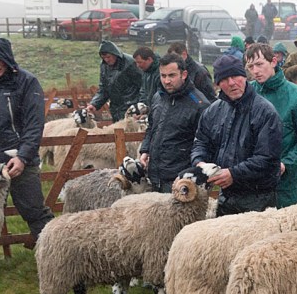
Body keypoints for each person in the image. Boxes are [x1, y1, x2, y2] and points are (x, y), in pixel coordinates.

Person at [191, 55, 282, 216]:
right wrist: (200, 162)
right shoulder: (213, 111)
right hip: (225, 198)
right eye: (225, 79)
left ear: (244, 77)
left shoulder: (265, 112)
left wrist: (234, 174)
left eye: (236, 76)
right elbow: (201, 142)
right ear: (218, 84)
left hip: (258, 200)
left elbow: (267, 158)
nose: (232, 83)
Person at [0, 38, 52, 241]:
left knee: (35, 212)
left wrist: (23, 157)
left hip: (20, 158)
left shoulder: (27, 82)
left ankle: (56, 254)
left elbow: (34, 124)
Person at [246, 43, 297, 208]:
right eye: (251, 66)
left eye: (259, 64)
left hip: (284, 184)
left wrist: (287, 163)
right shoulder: (247, 94)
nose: (255, 71)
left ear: (273, 61)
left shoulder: (296, 95)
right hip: (251, 182)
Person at [139, 52, 209, 193]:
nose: (166, 81)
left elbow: (204, 143)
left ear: (184, 74)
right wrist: (145, 149)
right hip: (155, 175)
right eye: (163, 76)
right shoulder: (158, 97)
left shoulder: (199, 104)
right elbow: (152, 127)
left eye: (171, 75)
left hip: (180, 180)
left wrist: (193, 174)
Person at [86, 41, 142, 123]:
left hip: (132, 107)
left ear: (115, 54)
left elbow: (143, 86)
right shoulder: (104, 66)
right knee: (118, 130)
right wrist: (94, 104)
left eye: (108, 57)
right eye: (103, 57)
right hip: (116, 108)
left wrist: (140, 106)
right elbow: (103, 89)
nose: (106, 60)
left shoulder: (130, 63)